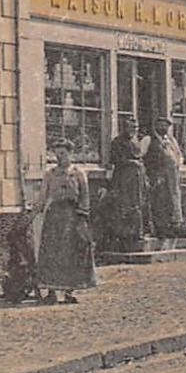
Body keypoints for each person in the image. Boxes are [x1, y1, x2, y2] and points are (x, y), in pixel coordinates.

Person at [35, 140, 97, 304]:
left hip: (73, 215)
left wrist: (83, 216)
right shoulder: (50, 174)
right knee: (53, 252)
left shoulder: (78, 173)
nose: (59, 157)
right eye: (56, 153)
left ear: (70, 153)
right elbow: (43, 195)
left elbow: (85, 196)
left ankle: (70, 291)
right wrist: (35, 211)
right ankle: (51, 291)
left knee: (73, 252)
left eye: (62, 153)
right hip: (55, 216)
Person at [107, 117, 149, 250]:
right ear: (124, 128)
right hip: (123, 179)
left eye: (135, 128)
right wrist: (130, 162)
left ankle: (137, 233)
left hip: (136, 179)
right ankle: (124, 237)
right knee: (124, 206)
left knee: (138, 205)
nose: (134, 130)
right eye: (131, 127)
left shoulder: (136, 142)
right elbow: (114, 159)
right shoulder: (118, 142)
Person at [143, 116, 186, 239]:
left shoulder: (171, 140)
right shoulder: (148, 139)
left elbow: (179, 155)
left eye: (166, 126)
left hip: (172, 176)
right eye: (160, 125)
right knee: (158, 201)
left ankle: (171, 227)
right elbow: (141, 156)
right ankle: (159, 229)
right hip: (156, 176)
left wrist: (178, 166)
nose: (163, 128)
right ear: (155, 126)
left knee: (171, 201)